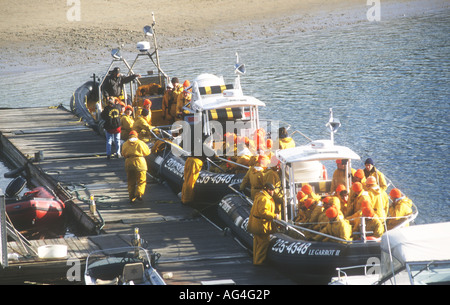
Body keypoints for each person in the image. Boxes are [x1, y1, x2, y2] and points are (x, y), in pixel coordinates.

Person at [247, 183, 279, 265]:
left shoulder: (259, 196)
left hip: (256, 224)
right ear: (268, 190)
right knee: (263, 242)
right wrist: (274, 216)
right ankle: (259, 262)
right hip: (261, 225)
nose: (273, 192)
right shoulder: (264, 199)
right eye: (272, 190)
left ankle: (255, 259)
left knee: (257, 243)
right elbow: (263, 212)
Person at [121, 130, 150, 203]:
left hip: (129, 163)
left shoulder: (125, 144)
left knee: (131, 181)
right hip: (140, 162)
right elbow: (147, 152)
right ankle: (139, 193)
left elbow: (123, 154)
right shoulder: (140, 143)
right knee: (141, 180)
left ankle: (131, 197)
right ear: (136, 136)